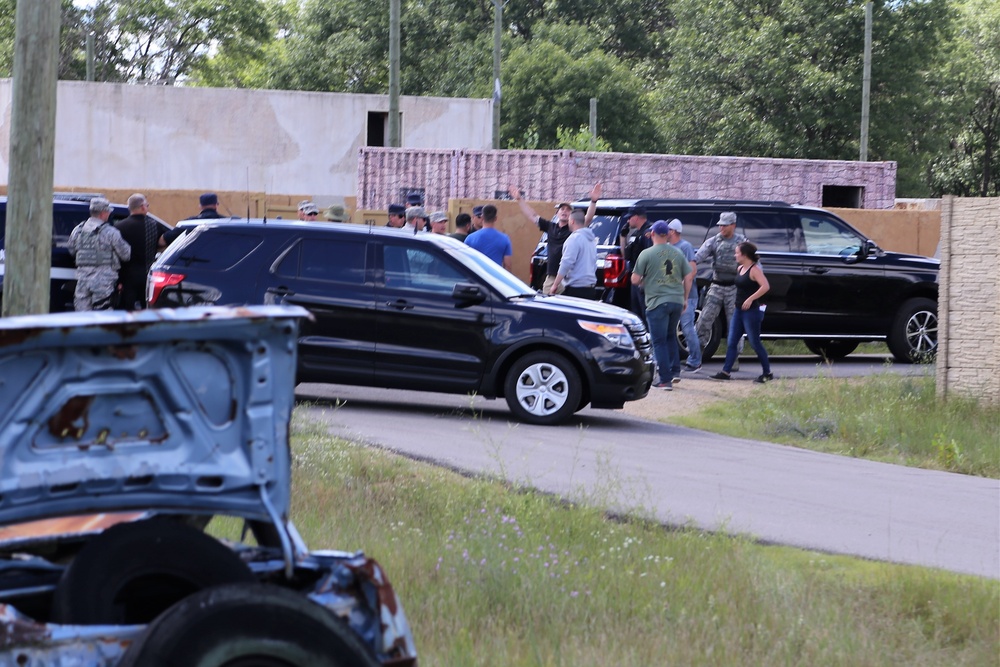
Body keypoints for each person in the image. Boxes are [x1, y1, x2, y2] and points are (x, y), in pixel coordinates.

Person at [631, 220, 693, 391]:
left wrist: (645, 279)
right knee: (670, 336)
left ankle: (665, 379)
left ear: (652, 234)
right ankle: (675, 372)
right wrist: (685, 298)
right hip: (676, 300)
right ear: (668, 234)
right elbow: (688, 277)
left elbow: (635, 280)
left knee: (658, 341)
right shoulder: (678, 252)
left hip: (657, 301)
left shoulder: (646, 254)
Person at [510, 183, 600, 295]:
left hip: (567, 279)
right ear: (557, 213)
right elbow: (532, 216)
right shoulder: (550, 227)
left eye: (568, 210)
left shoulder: (573, 230)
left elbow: (588, 218)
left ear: (571, 217)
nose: (564, 211)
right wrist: (519, 199)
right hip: (552, 277)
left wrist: (593, 201)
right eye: (562, 209)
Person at [711, 242, 773, 383]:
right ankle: (726, 372)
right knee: (732, 341)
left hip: (751, 312)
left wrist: (751, 299)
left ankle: (767, 372)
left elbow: (765, 286)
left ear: (744, 255)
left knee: (754, 342)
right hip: (738, 310)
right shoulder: (740, 268)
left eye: (737, 253)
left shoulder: (754, 270)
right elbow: (740, 288)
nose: (735, 255)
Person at [693, 211, 748, 369]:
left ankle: (734, 357)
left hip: (734, 288)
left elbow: (753, 262)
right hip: (717, 286)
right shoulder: (714, 241)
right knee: (704, 319)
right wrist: (689, 263)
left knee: (735, 323)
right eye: (720, 225)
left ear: (733, 225)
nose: (721, 227)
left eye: (725, 225)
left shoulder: (742, 242)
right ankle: (698, 352)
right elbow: (699, 256)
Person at [67, 197, 131, 311]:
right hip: (104, 284)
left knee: (82, 318)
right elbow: (126, 255)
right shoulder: (111, 233)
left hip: (82, 281)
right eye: (108, 212)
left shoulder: (78, 230)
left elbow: (71, 250)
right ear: (103, 213)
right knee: (103, 318)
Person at [115, 193, 164, 311]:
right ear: (142, 207)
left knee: (127, 309)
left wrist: (119, 280)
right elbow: (163, 242)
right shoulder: (153, 225)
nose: (147, 207)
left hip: (127, 276)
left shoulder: (119, 227)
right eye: (147, 205)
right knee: (146, 308)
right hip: (148, 275)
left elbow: (116, 255)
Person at [666, 218, 702, 372]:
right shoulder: (666, 247)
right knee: (668, 329)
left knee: (687, 328)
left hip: (687, 295)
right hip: (670, 295)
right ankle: (669, 360)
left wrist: (682, 290)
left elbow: (692, 270)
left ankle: (695, 360)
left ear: (673, 231)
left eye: (667, 229)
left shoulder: (685, 246)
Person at [550, 209, 598, 299]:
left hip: (576, 289)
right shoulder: (591, 240)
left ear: (572, 221)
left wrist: (555, 285)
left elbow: (566, 263)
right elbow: (594, 263)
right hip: (591, 289)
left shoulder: (573, 239)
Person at [620, 206, 653, 321]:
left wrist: (643, 280)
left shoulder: (648, 233)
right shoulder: (636, 233)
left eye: (630, 218)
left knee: (645, 314)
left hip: (643, 280)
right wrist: (623, 236)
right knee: (637, 314)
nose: (628, 220)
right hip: (636, 277)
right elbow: (626, 255)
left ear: (637, 217)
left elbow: (651, 258)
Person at [465, 204, 512, 269]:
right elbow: (507, 265)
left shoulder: (470, 238)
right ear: (495, 218)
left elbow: (465, 261)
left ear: (482, 217)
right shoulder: (505, 238)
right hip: (494, 277)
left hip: (476, 277)